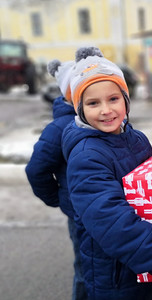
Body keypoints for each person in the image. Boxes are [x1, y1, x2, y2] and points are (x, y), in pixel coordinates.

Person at [62, 47, 152, 299]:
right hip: (114, 277)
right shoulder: (86, 156)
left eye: (113, 99)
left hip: (144, 265)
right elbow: (115, 225)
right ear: (79, 108)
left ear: (126, 99)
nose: (106, 110)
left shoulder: (135, 138)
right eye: (93, 103)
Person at [25, 59, 88, 300]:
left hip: (107, 212)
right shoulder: (60, 127)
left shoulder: (104, 121)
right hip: (79, 213)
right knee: (85, 269)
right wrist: (59, 198)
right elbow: (36, 170)